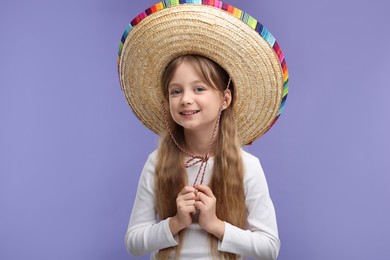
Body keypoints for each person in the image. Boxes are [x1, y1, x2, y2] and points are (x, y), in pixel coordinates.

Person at [118, 1, 289, 259]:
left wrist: (215, 225)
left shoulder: (247, 166)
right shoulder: (157, 163)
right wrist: (175, 222)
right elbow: (134, 242)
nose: (186, 99)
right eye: (176, 91)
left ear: (225, 99)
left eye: (199, 89)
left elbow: (269, 248)